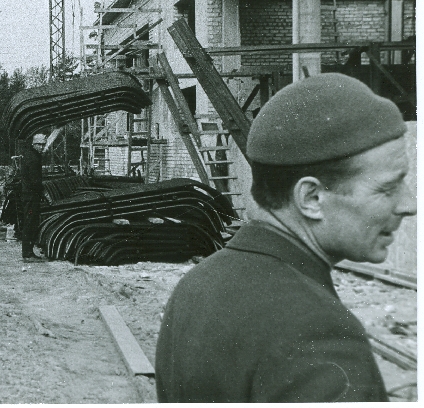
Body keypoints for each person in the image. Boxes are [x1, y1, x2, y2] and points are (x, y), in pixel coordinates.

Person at [155, 73, 416, 402]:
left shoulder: (197, 283)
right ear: (311, 199)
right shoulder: (319, 333)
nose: (410, 205)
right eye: (389, 187)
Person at [19, 133, 47, 262]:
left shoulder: (31, 155)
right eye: (39, 145)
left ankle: (28, 251)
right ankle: (27, 252)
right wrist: (43, 191)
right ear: (34, 144)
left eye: (43, 144)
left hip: (29, 194)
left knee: (30, 222)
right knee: (30, 222)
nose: (42, 147)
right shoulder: (33, 158)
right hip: (31, 195)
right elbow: (34, 181)